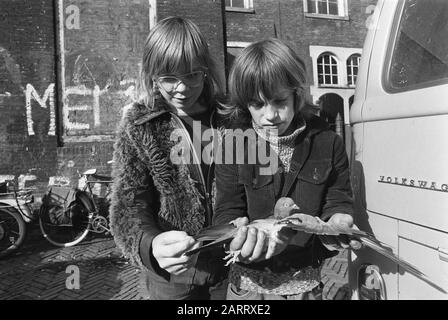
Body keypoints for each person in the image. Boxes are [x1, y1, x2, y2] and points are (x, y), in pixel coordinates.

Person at [214, 38, 361, 300]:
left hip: (302, 281)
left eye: (279, 101)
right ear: (245, 103)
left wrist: (338, 219)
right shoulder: (232, 144)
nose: (270, 115)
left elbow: (338, 198)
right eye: (257, 104)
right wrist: (233, 231)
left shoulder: (328, 142)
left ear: (296, 94)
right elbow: (227, 207)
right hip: (247, 284)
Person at [109, 16, 227, 300]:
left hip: (230, 265)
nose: (182, 88)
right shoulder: (140, 125)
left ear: (206, 71)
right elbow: (128, 204)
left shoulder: (231, 118)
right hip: (173, 275)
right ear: (151, 75)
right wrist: (151, 244)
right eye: (169, 78)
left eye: (192, 75)